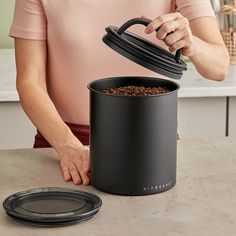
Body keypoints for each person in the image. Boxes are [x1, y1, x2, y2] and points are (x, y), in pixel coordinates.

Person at [10, 0, 229, 185]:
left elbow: (219, 67)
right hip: (63, 148)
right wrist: (68, 146)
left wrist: (192, 44)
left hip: (152, 142)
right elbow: (30, 82)